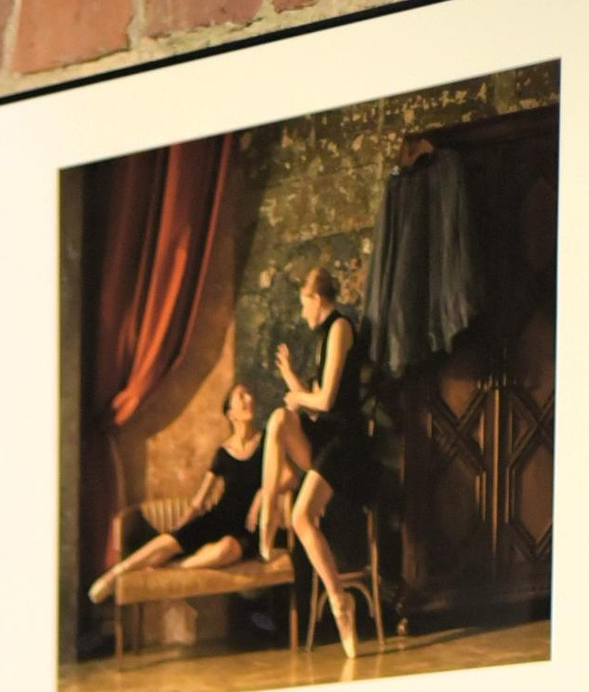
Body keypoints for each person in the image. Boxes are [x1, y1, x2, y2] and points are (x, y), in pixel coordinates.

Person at [260, 268, 377, 658]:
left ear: (317, 298)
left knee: (301, 518)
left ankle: (340, 602)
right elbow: (312, 406)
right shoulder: (323, 336)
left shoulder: (340, 327)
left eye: (303, 304)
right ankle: (266, 524)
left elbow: (326, 402)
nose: (303, 313)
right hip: (326, 437)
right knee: (278, 419)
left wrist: (298, 397)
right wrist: (293, 381)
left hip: (346, 444)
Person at [87, 384, 267, 609]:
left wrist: (261, 497)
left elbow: (287, 478)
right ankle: (113, 575)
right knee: (170, 541)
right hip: (216, 518)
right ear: (231, 414)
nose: (248, 398)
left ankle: (177, 567)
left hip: (243, 528)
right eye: (241, 396)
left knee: (227, 549)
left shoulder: (266, 443)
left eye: (249, 394)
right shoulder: (222, 453)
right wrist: (178, 530)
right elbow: (200, 500)